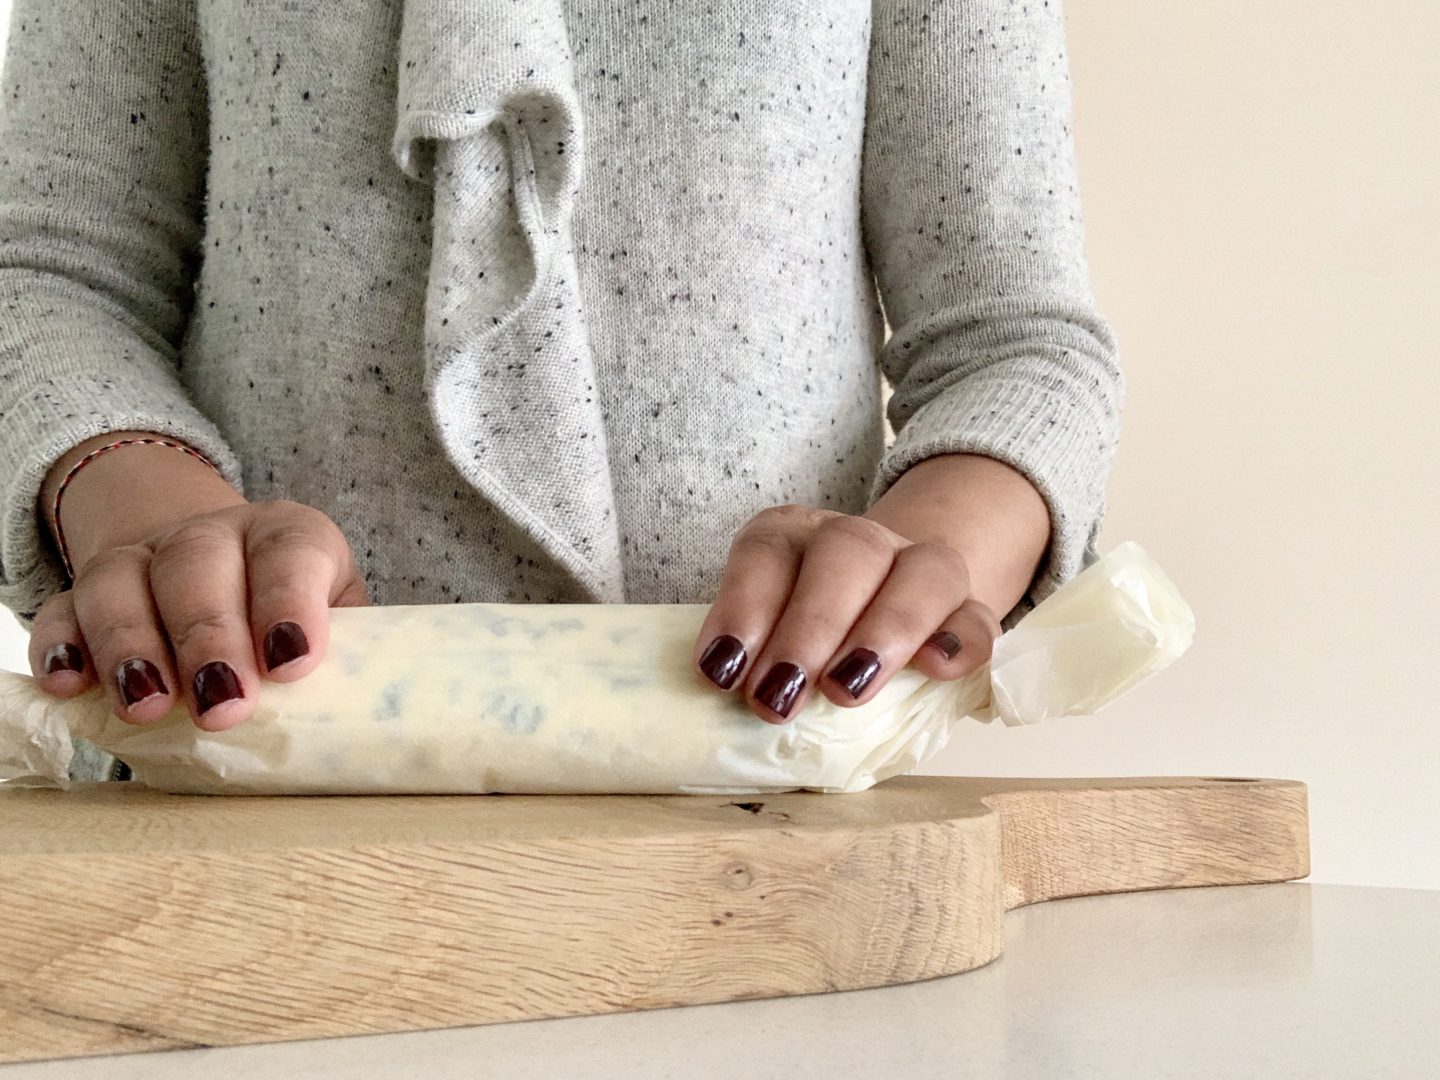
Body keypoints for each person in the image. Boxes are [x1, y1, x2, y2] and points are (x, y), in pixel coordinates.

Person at [0, 0, 1123, 783]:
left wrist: (907, 572)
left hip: (762, 817)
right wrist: (159, 532)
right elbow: (50, 277)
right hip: (230, 768)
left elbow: (1016, 345)